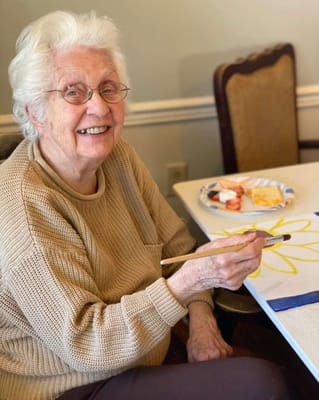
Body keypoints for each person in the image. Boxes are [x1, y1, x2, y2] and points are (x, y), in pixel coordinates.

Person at [0, 10, 293, 400]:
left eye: (108, 87)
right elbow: (89, 346)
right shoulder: (25, 206)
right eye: (73, 91)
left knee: (284, 360)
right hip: (75, 384)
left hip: (145, 352)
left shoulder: (118, 157)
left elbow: (179, 249)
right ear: (35, 112)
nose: (100, 108)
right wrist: (192, 282)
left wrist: (202, 320)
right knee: (265, 384)